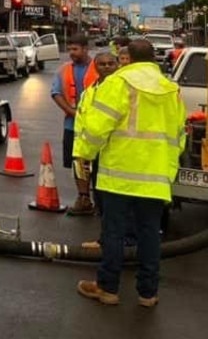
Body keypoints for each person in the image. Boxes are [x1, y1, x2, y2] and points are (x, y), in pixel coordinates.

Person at [73, 38, 187, 307]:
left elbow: (97, 127)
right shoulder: (171, 89)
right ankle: (148, 293)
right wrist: (168, 171)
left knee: (113, 233)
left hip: (118, 175)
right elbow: (178, 136)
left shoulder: (117, 83)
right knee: (149, 235)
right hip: (155, 177)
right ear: (153, 60)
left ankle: (108, 289)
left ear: (129, 59)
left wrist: (85, 154)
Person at [51, 34, 99, 214]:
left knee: (97, 163)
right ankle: (84, 197)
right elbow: (56, 93)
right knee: (78, 163)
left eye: (75, 49)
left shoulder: (99, 67)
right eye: (69, 49)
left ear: (85, 49)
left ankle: (100, 199)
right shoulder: (64, 70)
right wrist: (72, 113)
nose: (71, 53)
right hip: (73, 126)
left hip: (97, 127)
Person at [71, 51, 119, 216]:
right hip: (90, 151)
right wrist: (81, 151)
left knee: (111, 203)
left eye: (110, 63)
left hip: (112, 153)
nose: (106, 67)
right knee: (100, 198)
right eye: (102, 64)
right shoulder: (89, 92)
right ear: (95, 67)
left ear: (117, 65)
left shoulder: (122, 89)